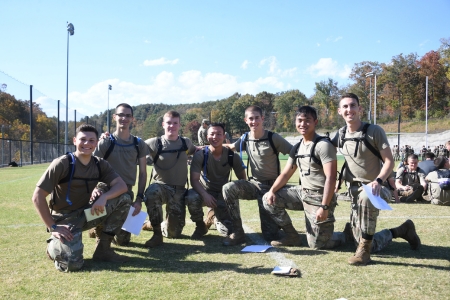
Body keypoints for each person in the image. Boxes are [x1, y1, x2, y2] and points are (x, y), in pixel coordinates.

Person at [332, 93, 420, 266]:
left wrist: (378, 181)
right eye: (345, 107)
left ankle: (364, 252)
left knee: (365, 240)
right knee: (359, 238)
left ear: (360, 109)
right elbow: (327, 153)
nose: (349, 110)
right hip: (354, 191)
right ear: (339, 111)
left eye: (353, 106)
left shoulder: (374, 131)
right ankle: (402, 230)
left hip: (378, 188)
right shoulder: (340, 134)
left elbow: (389, 161)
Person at [31, 124, 130, 272]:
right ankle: (54, 247)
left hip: (87, 214)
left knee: (124, 199)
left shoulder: (99, 164)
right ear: (74, 140)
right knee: (73, 264)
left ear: (96, 143)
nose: (87, 144)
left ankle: (103, 249)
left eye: (91, 140)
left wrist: (104, 198)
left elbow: (121, 186)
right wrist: (53, 226)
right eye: (83, 139)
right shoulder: (62, 163)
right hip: (65, 221)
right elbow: (37, 196)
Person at [263, 105, 347, 249]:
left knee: (317, 245)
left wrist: (324, 206)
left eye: (307, 120)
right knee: (267, 199)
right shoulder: (297, 147)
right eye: (300, 120)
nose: (303, 124)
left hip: (320, 197)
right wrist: (271, 191)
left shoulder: (323, 145)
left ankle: (346, 235)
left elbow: (331, 178)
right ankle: (292, 236)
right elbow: (285, 174)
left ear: (315, 122)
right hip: (303, 192)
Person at [222, 105, 293, 245]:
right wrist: (205, 148)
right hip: (254, 185)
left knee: (269, 235)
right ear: (246, 120)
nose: (254, 121)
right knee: (228, 188)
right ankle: (237, 232)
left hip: (272, 187)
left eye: (257, 118)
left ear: (262, 118)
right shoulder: (244, 139)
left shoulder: (274, 138)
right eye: (251, 119)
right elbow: (231, 147)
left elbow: (294, 152)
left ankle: (279, 227)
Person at [90, 103, 150, 245]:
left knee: (122, 241)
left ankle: (105, 227)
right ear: (114, 117)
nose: (124, 118)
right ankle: (98, 228)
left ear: (132, 119)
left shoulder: (138, 144)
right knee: (96, 201)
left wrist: (139, 199)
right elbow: (92, 167)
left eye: (128, 115)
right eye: (121, 115)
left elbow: (143, 173)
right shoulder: (106, 142)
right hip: (106, 187)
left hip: (126, 192)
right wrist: (94, 188)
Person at [143, 110, 197, 248]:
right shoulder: (154, 143)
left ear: (179, 125)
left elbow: (196, 150)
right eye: (168, 123)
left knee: (174, 233)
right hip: (161, 188)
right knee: (151, 192)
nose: (171, 126)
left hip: (179, 191)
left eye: (175, 123)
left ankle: (153, 224)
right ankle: (156, 234)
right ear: (163, 124)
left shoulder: (186, 142)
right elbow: (132, 146)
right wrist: (105, 138)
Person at [186, 122, 246, 240]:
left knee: (227, 231)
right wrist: (205, 195)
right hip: (204, 192)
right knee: (191, 196)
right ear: (207, 136)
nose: (215, 137)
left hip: (223, 195)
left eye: (219, 134)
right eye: (212, 134)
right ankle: (200, 226)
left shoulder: (231, 156)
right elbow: (194, 180)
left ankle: (213, 217)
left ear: (224, 136)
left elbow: (243, 180)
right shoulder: (201, 155)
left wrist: (231, 197)